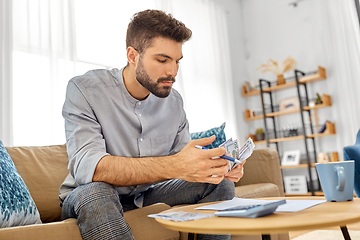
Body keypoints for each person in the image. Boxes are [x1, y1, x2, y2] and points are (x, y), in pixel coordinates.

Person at [59, 9, 245, 240]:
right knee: (97, 193)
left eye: (177, 61)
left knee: (219, 185)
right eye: (162, 59)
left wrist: (215, 168)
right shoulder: (84, 90)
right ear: (132, 55)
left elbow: (182, 160)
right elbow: (92, 169)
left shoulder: (174, 102)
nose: (173, 71)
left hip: (146, 194)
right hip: (87, 195)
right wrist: (174, 165)